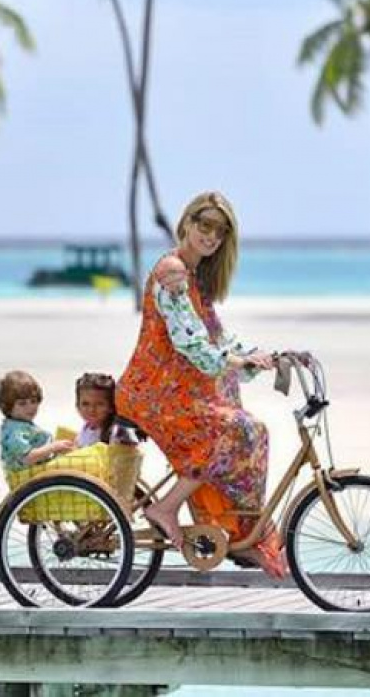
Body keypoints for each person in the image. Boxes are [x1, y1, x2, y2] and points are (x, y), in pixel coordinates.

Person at [115, 191, 286, 577]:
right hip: (153, 392)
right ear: (187, 224)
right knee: (235, 430)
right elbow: (189, 342)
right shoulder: (173, 272)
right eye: (204, 225)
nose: (211, 236)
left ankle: (238, 531)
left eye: (220, 231)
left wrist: (261, 356)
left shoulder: (195, 280)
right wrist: (235, 362)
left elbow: (217, 337)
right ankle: (166, 509)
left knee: (251, 431)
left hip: (178, 390)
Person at [0, 370, 75, 471]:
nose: (30, 407)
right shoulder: (15, 431)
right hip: (29, 476)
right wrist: (53, 447)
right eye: (22, 403)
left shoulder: (22, 425)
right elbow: (27, 458)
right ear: (8, 406)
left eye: (33, 401)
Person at [73, 372, 136, 447]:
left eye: (99, 404)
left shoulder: (117, 433)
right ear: (77, 405)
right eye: (85, 404)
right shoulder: (86, 428)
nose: (91, 409)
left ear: (111, 407)